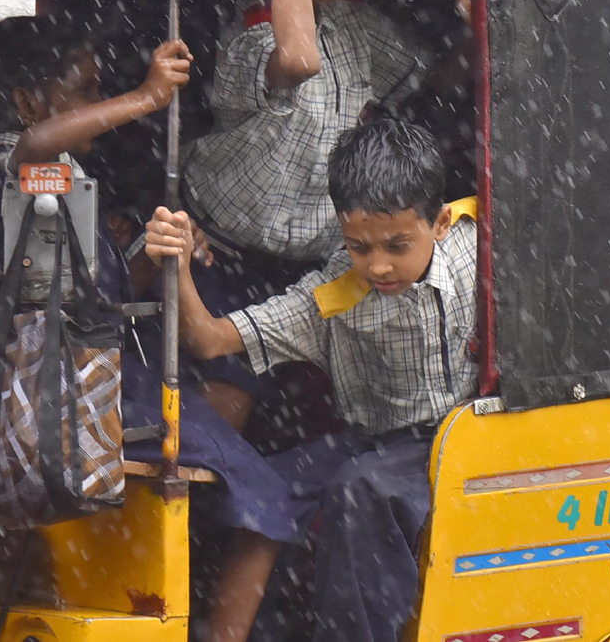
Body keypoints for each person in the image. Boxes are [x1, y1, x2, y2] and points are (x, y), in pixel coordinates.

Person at [0, 15, 299, 642]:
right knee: (268, 496)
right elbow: (35, 151)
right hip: (85, 391)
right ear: (27, 102)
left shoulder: (63, 181)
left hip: (97, 375)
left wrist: (168, 251)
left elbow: (89, 288)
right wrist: (147, 99)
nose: (96, 107)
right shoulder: (10, 171)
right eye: (84, 90)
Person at [146, 119, 478, 642]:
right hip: (375, 439)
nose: (379, 266)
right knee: (263, 486)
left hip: (464, 436)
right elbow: (208, 340)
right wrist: (180, 265)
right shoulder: (331, 296)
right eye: (359, 247)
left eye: (397, 245)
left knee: (361, 488)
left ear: (438, 224)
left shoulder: (480, 248)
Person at [178, 0, 426, 428]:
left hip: (328, 261)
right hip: (227, 253)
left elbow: (422, 77)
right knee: (226, 407)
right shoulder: (247, 40)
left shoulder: (352, 27)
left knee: (335, 413)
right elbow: (298, 57)